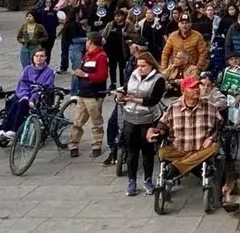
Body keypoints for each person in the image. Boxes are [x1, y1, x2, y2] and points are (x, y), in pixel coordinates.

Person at [147, 75, 223, 175]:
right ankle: (192, 164)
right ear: (183, 91)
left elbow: (220, 125)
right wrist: (154, 131)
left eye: (197, 87)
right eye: (192, 88)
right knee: (162, 153)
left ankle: (178, 168)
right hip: (179, 149)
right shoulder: (173, 108)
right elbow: (162, 126)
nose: (196, 90)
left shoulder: (210, 107)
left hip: (201, 149)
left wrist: (211, 138)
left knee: (215, 147)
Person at [117, 52, 166, 196]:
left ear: (151, 65)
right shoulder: (133, 75)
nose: (140, 68)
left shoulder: (159, 79)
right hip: (130, 117)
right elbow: (126, 89)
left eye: (143, 66)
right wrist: (121, 97)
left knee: (147, 152)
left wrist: (133, 99)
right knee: (132, 152)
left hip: (148, 119)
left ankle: (148, 180)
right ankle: (131, 181)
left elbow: (153, 101)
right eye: (138, 65)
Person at [0, 47, 56, 143]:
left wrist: (32, 99)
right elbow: (22, 84)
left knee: (22, 104)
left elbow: (44, 87)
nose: (39, 58)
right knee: (13, 102)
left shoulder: (49, 72)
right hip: (24, 94)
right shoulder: (27, 69)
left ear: (46, 58)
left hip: (38, 96)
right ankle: (4, 130)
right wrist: (25, 95)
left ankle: (14, 130)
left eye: (42, 56)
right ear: (33, 57)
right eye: (37, 56)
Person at [69, 33, 109, 158]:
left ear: (91, 42)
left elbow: (102, 76)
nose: (85, 43)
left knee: (96, 122)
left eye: (87, 41)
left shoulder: (101, 56)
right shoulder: (87, 55)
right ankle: (73, 145)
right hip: (83, 93)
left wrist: (85, 75)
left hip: (94, 95)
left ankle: (97, 145)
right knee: (78, 121)